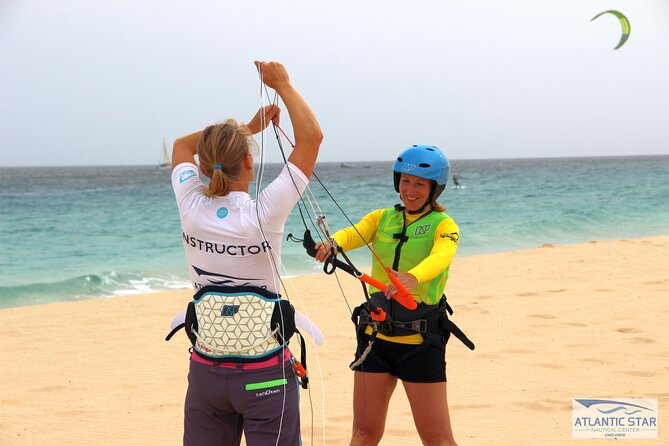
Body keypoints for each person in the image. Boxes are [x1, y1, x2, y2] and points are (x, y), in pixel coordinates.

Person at [170, 61, 323, 446]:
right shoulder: (263, 212)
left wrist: (245, 128)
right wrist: (283, 85)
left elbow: (181, 146)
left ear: (204, 168)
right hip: (265, 375)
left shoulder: (190, 205)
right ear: (250, 162)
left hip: (206, 372)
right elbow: (312, 138)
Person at [314, 144, 463, 446]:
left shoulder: (444, 226)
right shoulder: (382, 218)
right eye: (405, 181)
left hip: (419, 345)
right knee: (364, 434)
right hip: (375, 341)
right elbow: (353, 233)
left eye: (419, 184)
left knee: (437, 439)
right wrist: (331, 243)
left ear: (435, 188)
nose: (410, 190)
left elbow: (443, 255)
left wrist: (413, 277)